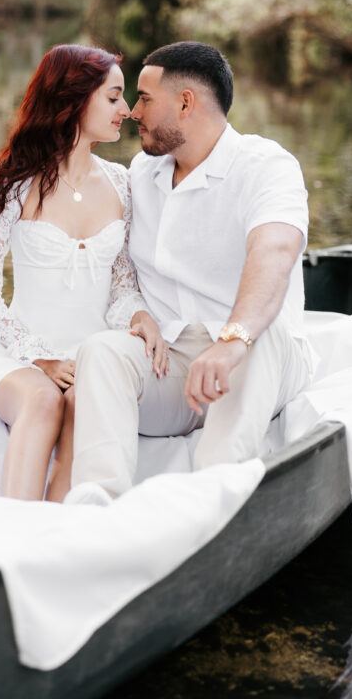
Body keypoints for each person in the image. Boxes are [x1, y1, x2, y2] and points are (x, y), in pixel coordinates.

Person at [67, 41, 317, 504]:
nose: (132, 111)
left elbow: (274, 255)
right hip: (173, 363)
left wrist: (230, 343)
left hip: (252, 357)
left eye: (144, 98)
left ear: (185, 103)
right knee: (101, 351)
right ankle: (96, 505)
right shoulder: (142, 173)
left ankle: (209, 502)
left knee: (260, 337)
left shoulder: (267, 167)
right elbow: (111, 267)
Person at [0, 43, 166, 503]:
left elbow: (120, 287)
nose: (127, 110)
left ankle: (58, 534)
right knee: (43, 400)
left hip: (90, 357)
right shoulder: (12, 184)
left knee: (82, 403)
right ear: (75, 99)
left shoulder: (121, 183)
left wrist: (141, 318)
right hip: (22, 357)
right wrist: (39, 357)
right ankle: (11, 528)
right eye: (114, 96)